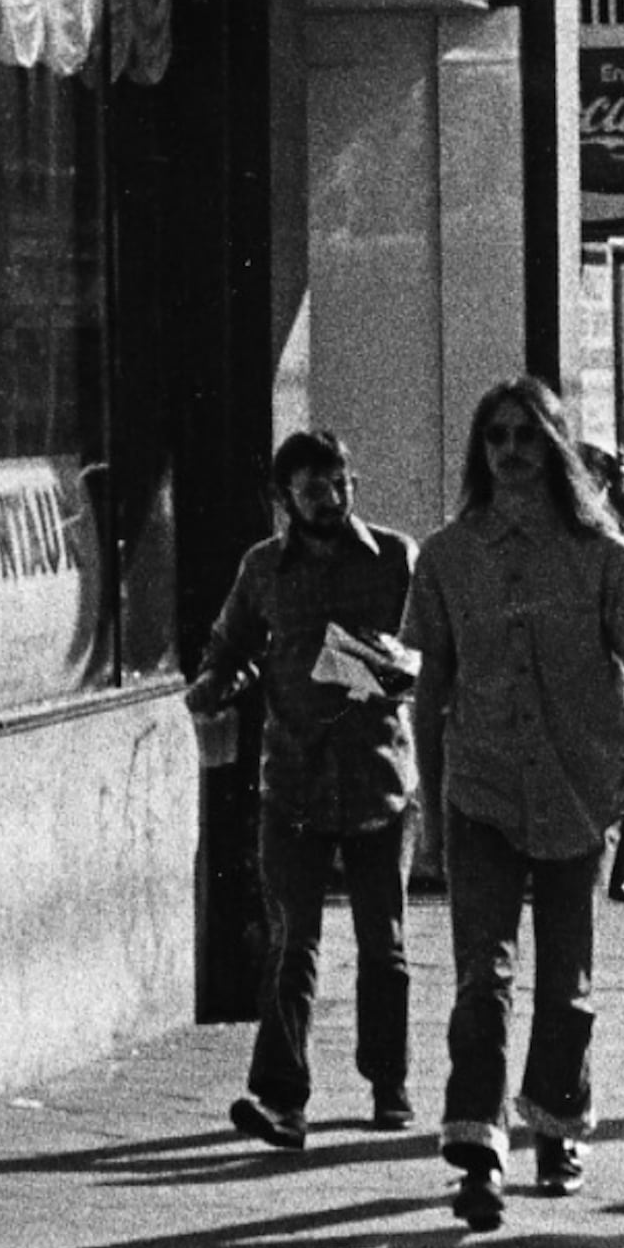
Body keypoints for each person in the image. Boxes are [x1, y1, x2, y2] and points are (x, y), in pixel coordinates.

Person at [409, 376, 624, 1229]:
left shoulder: (602, 554)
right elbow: (430, 686)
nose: (513, 452)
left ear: (554, 447)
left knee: (567, 983)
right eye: (497, 438)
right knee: (481, 978)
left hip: (576, 790)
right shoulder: (447, 555)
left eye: (528, 436)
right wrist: (428, 809)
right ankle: (477, 1145)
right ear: (480, 453)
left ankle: (557, 1120)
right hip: (480, 786)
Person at [189, 427, 418, 1151]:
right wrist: (212, 684)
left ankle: (390, 1082)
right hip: (292, 781)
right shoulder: (262, 567)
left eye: (340, 482)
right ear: (284, 496)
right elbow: (228, 644)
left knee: (384, 946)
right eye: (314, 487)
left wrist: (381, 668)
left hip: (380, 777)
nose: (331, 497)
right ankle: (283, 1099)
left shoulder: (396, 557)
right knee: (293, 944)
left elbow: (427, 654)